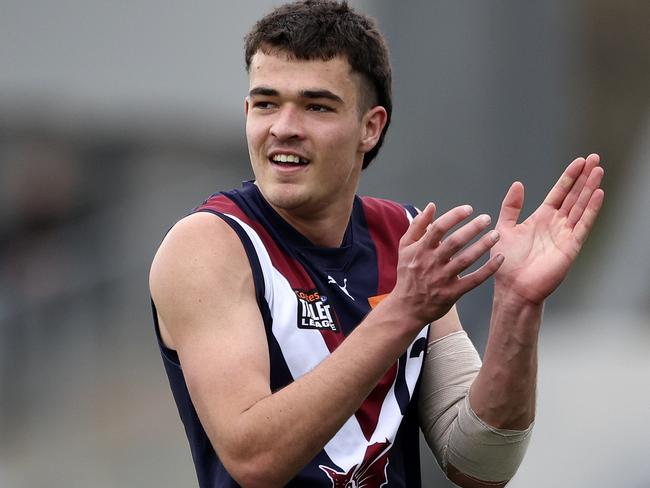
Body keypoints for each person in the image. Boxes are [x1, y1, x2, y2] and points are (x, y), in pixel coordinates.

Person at [149, 1, 605, 487]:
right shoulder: (209, 245)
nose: (283, 127)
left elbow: (480, 464)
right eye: (266, 103)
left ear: (371, 127)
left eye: (316, 106)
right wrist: (403, 312)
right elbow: (254, 458)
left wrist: (517, 305)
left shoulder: (404, 241)